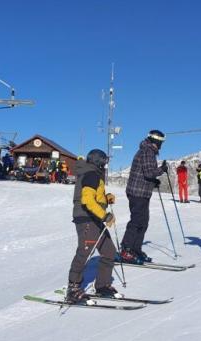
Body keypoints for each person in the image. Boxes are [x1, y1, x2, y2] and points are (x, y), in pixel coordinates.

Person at [66, 149, 118, 303]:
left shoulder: (93, 174)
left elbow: (94, 197)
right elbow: (87, 201)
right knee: (85, 252)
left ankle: (102, 286)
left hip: (94, 218)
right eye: (104, 162)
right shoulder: (91, 174)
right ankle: (73, 288)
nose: (105, 164)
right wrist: (105, 215)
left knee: (109, 250)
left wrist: (106, 199)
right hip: (87, 218)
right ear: (98, 162)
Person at [119, 130, 168, 264]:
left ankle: (135, 249)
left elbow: (146, 174)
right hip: (137, 193)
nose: (161, 145)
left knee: (143, 221)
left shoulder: (148, 151)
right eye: (161, 142)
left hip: (141, 192)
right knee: (137, 221)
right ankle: (126, 250)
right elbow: (148, 173)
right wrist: (161, 170)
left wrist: (154, 182)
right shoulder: (147, 151)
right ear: (156, 141)